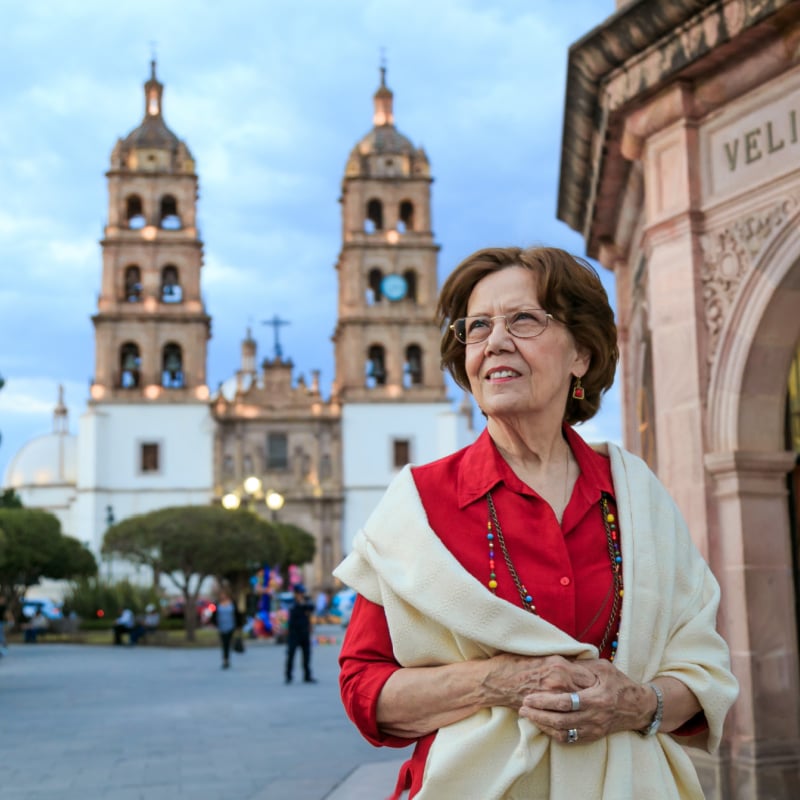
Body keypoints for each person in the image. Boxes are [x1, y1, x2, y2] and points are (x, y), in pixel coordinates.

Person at [334, 246, 739, 799]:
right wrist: (499, 682)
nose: (495, 341)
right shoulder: (418, 505)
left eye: (523, 320)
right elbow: (364, 688)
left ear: (581, 354)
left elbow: (704, 667)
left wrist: (639, 703)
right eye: (477, 327)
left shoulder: (636, 495)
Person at [285, 584, 315, 684]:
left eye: (302, 593)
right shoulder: (291, 602)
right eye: (299, 593)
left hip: (304, 632)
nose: (301, 595)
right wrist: (302, 607)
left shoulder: (306, 601)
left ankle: (307, 676)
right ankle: (288, 676)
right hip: (293, 633)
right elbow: (292, 612)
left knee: (307, 655)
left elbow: (311, 608)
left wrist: (303, 605)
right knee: (291, 654)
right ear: (295, 593)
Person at [210, 584, 243, 669]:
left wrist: (239, 625)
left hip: (231, 626)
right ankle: (225, 660)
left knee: (228, 643)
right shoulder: (216, 603)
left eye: (224, 594)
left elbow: (237, 614)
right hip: (221, 626)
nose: (223, 596)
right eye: (221, 594)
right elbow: (211, 612)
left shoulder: (233, 603)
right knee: (224, 643)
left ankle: (227, 659)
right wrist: (213, 622)